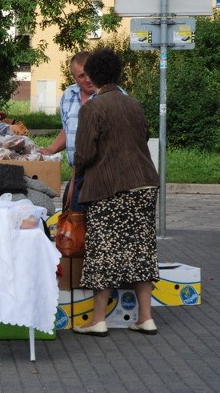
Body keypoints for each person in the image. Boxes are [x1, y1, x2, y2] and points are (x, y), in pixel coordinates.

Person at [71, 48, 160, 337]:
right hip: (145, 184)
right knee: (141, 249)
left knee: (103, 252)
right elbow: (142, 138)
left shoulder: (92, 108)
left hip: (109, 187)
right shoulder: (133, 104)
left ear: (92, 76)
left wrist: (76, 178)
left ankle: (98, 320)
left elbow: (83, 154)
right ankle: (146, 317)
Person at [39, 51, 95, 211]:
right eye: (82, 76)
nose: (88, 79)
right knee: (71, 215)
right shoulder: (69, 94)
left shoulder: (111, 94)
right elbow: (68, 130)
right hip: (77, 171)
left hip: (100, 173)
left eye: (90, 73)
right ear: (74, 77)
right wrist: (51, 149)